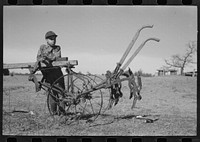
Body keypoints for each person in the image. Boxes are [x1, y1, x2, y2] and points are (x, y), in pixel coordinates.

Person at [31, 31, 65, 115]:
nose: (53, 40)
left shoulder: (57, 48)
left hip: (57, 73)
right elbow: (39, 57)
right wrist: (45, 57)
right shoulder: (42, 47)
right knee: (52, 95)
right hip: (48, 74)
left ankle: (62, 113)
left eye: (54, 39)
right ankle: (54, 113)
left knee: (61, 93)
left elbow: (55, 57)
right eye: (51, 39)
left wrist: (46, 56)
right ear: (46, 40)